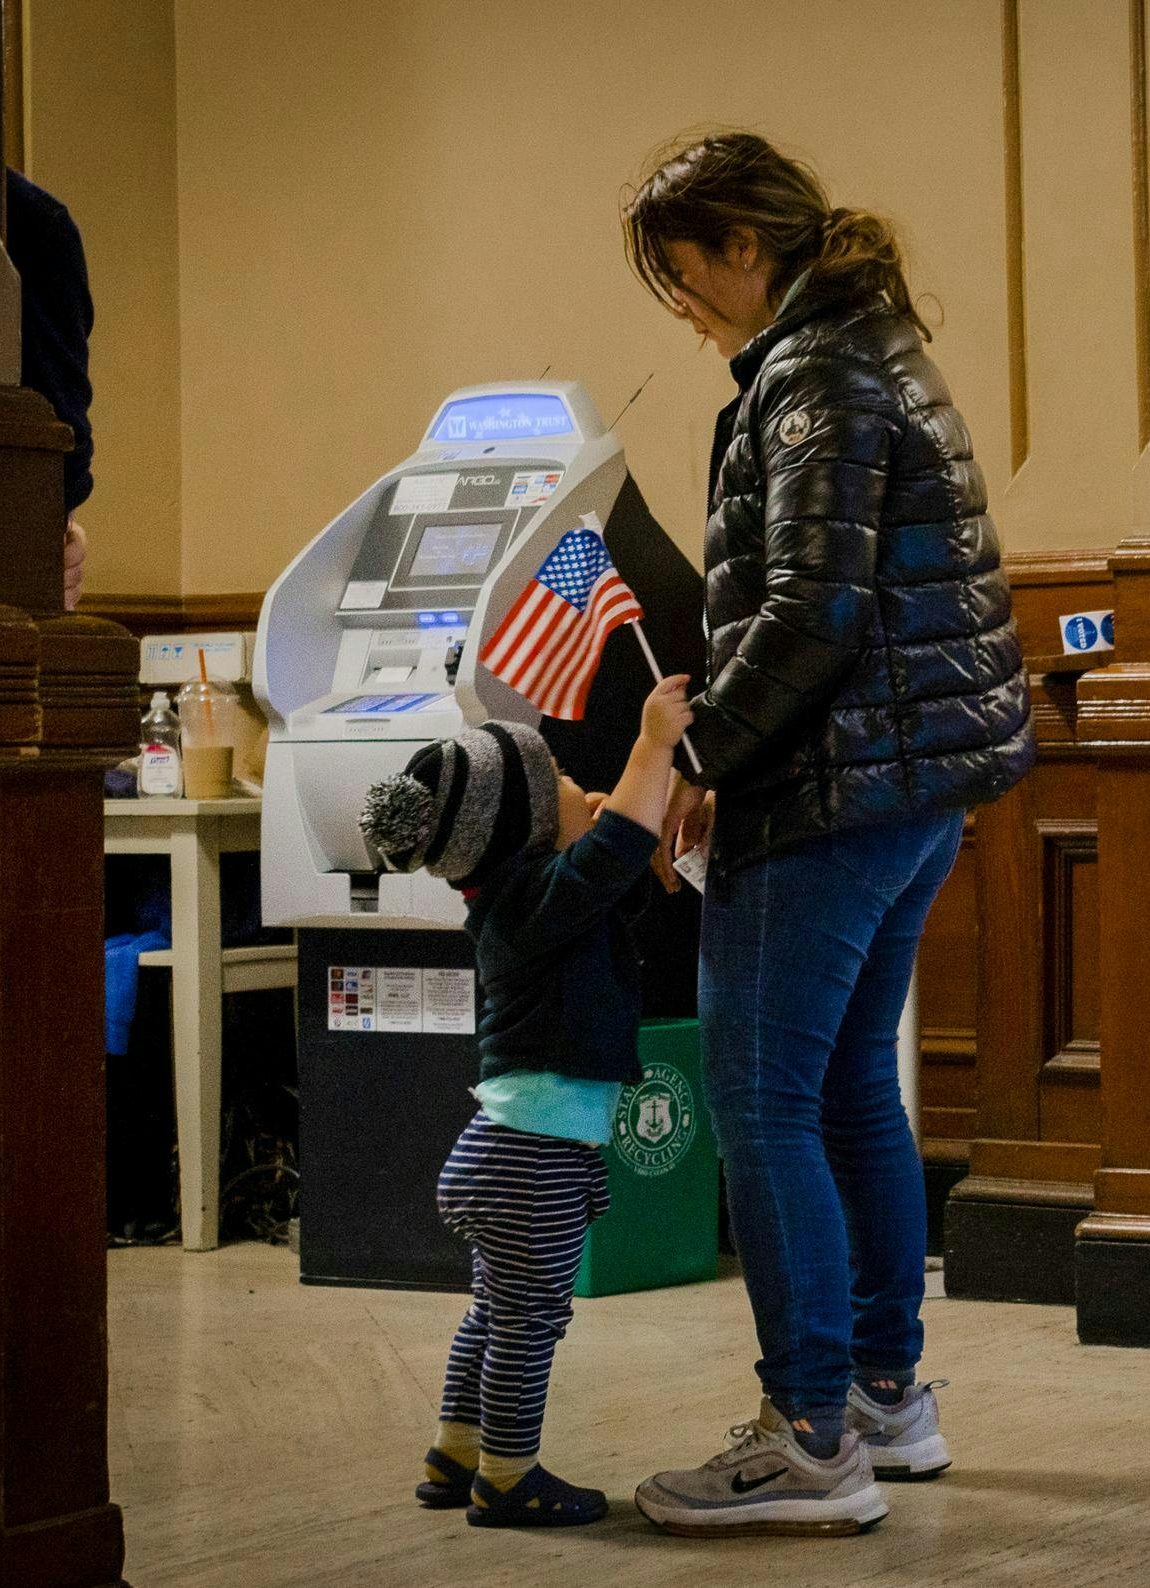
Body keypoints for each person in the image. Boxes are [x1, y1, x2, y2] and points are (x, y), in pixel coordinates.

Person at [622, 132, 1035, 1537]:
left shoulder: (812, 377)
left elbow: (809, 612)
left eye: (681, 275)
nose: (682, 309)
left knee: (758, 1098)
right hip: (913, 786)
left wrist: (703, 755)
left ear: (745, 246)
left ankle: (806, 1437)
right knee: (853, 1085)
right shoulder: (876, 344)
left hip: (833, 789)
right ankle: (882, 1397)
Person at [356, 674, 694, 1529]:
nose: (587, 790)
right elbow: (614, 844)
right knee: (528, 1324)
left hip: (508, 1154)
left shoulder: (518, 904)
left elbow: (612, 867)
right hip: (526, 1158)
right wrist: (653, 741)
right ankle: (509, 1476)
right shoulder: (533, 900)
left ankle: (455, 1451)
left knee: (494, 1311)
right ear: (529, 832)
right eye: (565, 790)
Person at [6, 168, 93, 610]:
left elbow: (58, 428)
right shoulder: (32, 220)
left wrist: (60, 520)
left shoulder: (28, 220)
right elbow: (59, 421)